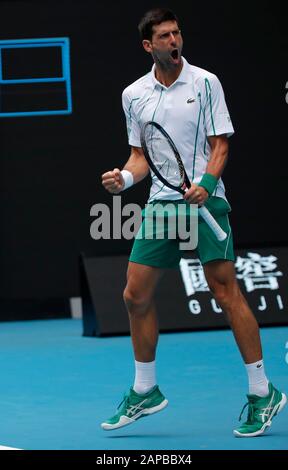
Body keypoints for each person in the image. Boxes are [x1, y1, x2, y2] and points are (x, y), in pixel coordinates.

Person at [101, 7, 286, 437]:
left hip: (206, 203)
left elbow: (219, 144)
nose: (174, 41)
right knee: (134, 294)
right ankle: (145, 389)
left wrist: (205, 183)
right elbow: (140, 157)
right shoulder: (134, 95)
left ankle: (263, 392)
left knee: (226, 291)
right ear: (149, 46)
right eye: (164, 36)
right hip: (162, 206)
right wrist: (123, 179)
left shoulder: (205, 83)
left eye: (177, 33)